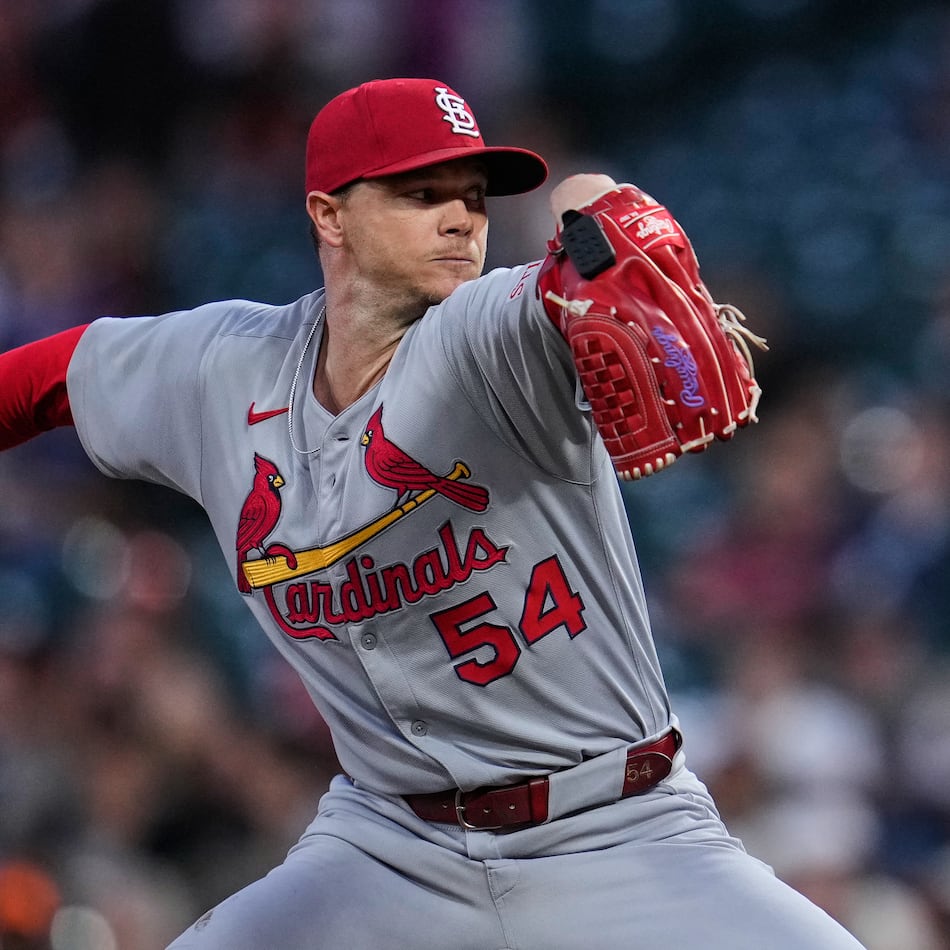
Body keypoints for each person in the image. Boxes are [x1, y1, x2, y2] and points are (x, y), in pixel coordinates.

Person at [0, 77, 865, 949]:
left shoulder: (487, 331)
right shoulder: (219, 368)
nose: (463, 221)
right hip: (388, 849)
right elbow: (35, 384)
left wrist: (596, 215)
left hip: (617, 828)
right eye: (423, 195)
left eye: (475, 198)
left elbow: (583, 238)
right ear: (329, 216)